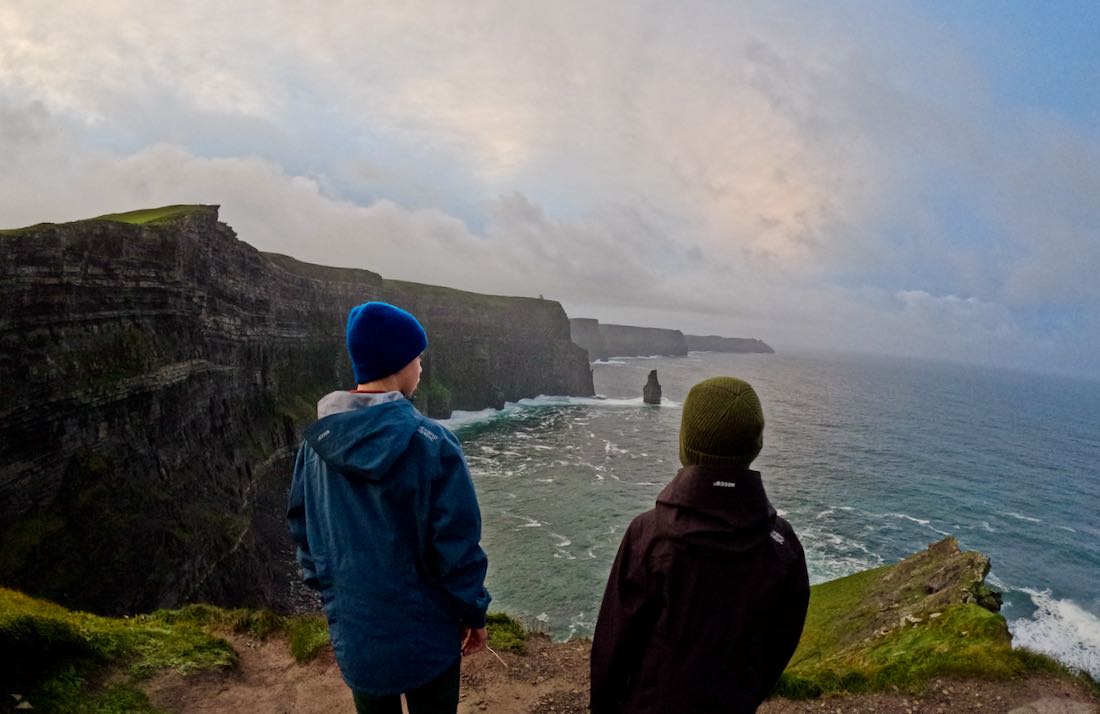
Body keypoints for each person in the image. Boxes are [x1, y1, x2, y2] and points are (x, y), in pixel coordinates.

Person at [287, 301, 491, 714]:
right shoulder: (433, 443)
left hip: (357, 632)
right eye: (418, 359)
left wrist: (334, 593)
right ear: (400, 363)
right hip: (428, 636)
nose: (421, 368)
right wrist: (474, 612)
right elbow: (456, 544)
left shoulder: (314, 446)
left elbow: (303, 529)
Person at [590, 376, 809, 714]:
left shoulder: (648, 534)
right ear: (756, 446)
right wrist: (746, 695)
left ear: (686, 444)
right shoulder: (783, 544)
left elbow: (614, 642)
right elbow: (780, 643)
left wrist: (603, 709)